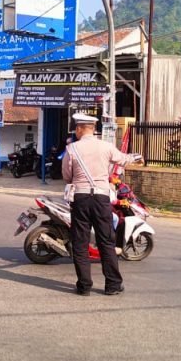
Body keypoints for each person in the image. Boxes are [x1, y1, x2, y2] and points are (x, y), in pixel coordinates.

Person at [61, 113, 142, 296]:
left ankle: (84, 286)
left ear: (81, 129)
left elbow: (66, 175)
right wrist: (137, 156)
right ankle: (113, 285)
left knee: (80, 242)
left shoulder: (72, 149)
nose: (76, 131)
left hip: (80, 199)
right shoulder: (106, 147)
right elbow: (124, 159)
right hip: (101, 199)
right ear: (93, 128)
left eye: (76, 128)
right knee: (106, 241)